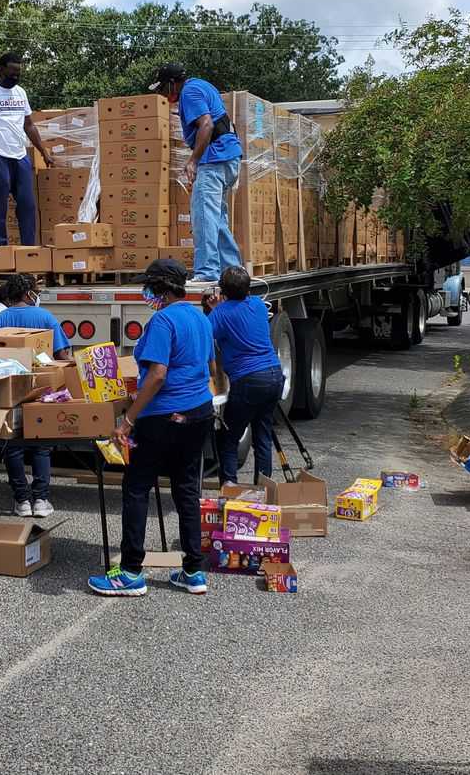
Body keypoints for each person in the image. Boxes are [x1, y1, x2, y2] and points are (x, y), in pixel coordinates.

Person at [88, 259, 215, 598]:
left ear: (159, 287)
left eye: (149, 286)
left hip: (163, 416)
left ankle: (130, 571)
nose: (146, 293)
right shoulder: (200, 316)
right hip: (199, 411)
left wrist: (128, 420)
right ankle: (193, 571)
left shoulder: (163, 320)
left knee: (137, 487)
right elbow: (205, 364)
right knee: (187, 489)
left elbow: (157, 374)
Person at [151, 62, 243, 283]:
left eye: (163, 89)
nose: (164, 95)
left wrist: (193, 160)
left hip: (215, 159)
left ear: (173, 84)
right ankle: (232, 273)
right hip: (228, 157)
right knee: (217, 219)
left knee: (203, 216)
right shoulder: (202, 86)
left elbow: (207, 125)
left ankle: (207, 270)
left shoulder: (189, 93)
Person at [0, 274, 72, 518]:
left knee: (13, 446)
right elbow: (62, 354)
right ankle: (41, 499)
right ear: (28, 294)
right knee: (41, 446)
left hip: (8, 388)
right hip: (42, 388)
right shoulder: (44, 317)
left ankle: (22, 500)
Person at [204, 266, 285, 485]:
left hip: (248, 379)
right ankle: (264, 487)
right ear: (248, 288)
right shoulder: (258, 305)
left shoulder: (220, 314)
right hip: (274, 374)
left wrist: (213, 309)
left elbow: (207, 335)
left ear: (222, 290)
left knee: (230, 437)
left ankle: (229, 486)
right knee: (262, 435)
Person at [0, 51, 56, 247]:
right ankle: (0, 252)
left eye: (18, 74)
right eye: (11, 73)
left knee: (27, 205)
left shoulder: (20, 93)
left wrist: (43, 152)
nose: (15, 77)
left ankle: (29, 251)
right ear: (0, 70)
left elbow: (29, 125)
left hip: (19, 155)